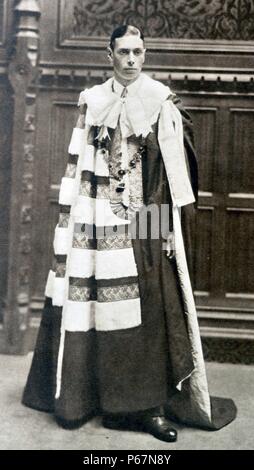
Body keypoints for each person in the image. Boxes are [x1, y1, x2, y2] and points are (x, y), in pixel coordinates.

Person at [22, 25, 236, 443]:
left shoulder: (160, 99)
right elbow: (78, 165)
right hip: (96, 213)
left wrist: (162, 216)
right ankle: (89, 399)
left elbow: (176, 168)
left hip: (146, 216)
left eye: (138, 51)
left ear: (146, 54)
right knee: (92, 300)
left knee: (150, 303)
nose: (132, 59)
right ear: (110, 55)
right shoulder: (93, 100)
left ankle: (145, 406)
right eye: (124, 52)